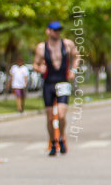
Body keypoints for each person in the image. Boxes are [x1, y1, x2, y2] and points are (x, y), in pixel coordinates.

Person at [33, 21, 81, 156]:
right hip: (48, 83)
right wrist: (39, 69)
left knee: (61, 115)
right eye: (55, 30)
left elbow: (77, 56)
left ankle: (61, 137)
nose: (57, 32)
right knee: (49, 117)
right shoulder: (42, 48)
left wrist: (73, 70)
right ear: (48, 31)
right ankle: (53, 141)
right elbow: (35, 64)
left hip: (63, 82)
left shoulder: (67, 44)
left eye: (59, 30)